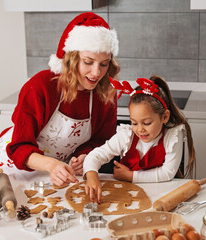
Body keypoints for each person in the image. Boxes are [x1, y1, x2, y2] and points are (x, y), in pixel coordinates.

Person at [0, 12, 120, 186]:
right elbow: (19, 146)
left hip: (56, 172)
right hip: (11, 168)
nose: (96, 73)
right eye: (88, 62)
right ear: (71, 59)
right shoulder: (42, 86)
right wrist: (50, 164)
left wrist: (85, 156)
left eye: (104, 64)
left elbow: (101, 140)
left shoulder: (105, 94)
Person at [83, 75, 196, 203]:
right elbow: (95, 156)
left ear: (165, 117)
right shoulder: (127, 136)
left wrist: (131, 176)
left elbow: (167, 172)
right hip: (126, 197)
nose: (140, 129)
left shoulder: (172, 136)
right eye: (134, 123)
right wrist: (92, 176)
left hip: (161, 196)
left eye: (147, 123)